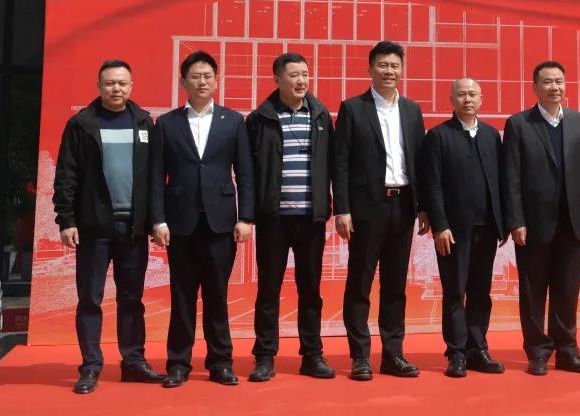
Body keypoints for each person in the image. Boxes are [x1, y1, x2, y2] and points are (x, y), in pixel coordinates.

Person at [53, 59, 164, 394]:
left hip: (133, 229)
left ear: (132, 86)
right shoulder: (82, 124)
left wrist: (155, 220)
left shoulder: (144, 122)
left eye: (122, 83)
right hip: (93, 228)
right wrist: (67, 220)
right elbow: (66, 176)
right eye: (110, 83)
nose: (116, 88)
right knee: (90, 299)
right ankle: (90, 366)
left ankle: (133, 362)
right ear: (99, 86)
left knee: (132, 299)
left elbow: (155, 177)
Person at [150, 50, 254, 387]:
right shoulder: (167, 123)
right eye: (195, 76)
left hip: (221, 222)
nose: (202, 81)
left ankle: (221, 362)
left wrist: (246, 217)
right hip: (179, 223)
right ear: (183, 82)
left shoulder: (233, 121)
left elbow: (246, 173)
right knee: (181, 295)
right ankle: (178, 363)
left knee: (217, 295)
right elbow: (156, 177)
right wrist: (158, 220)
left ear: (216, 81)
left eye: (208, 76)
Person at [333, 41, 428, 381]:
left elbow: (420, 161)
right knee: (360, 283)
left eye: (395, 65)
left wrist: (424, 207)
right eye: (383, 65)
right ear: (370, 68)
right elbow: (341, 162)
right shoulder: (353, 108)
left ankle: (393, 354)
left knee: (395, 285)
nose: (389, 71)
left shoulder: (412, 110)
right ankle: (360, 356)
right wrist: (342, 208)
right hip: (366, 208)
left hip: (403, 205)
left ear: (402, 69)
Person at [502, 61, 580, 376]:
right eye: (547, 82)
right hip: (533, 224)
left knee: (567, 290)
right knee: (533, 291)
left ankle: (567, 351)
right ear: (534, 87)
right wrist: (515, 220)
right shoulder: (519, 124)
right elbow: (511, 177)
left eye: (559, 81)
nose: (554, 87)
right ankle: (537, 352)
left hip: (573, 222)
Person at [245, 52, 335, 382]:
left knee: (310, 290)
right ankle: (264, 356)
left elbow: (334, 164)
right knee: (268, 289)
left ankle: (312, 355)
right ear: (277, 79)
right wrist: (249, 213)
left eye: (305, 74)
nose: (301, 81)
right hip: (274, 219)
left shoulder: (321, 116)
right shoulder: (259, 119)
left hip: (311, 219)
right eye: (293, 75)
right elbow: (248, 171)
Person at [419, 78, 506, 378]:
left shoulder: (492, 135)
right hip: (454, 231)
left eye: (472, 94)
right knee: (455, 291)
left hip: (487, 226)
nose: (467, 99)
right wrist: (440, 225)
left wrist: (503, 222)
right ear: (452, 100)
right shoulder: (438, 136)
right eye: (461, 94)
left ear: (481, 99)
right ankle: (456, 353)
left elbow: (501, 180)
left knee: (481, 291)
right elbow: (432, 184)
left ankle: (477, 348)